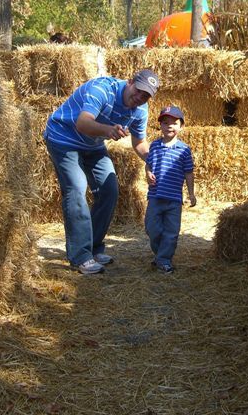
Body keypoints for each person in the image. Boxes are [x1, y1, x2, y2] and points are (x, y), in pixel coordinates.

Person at [44, 69, 160, 274]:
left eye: (146, 95)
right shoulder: (102, 90)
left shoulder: (140, 110)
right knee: (76, 188)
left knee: (109, 190)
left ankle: (94, 247)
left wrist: (158, 161)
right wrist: (108, 131)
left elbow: (140, 143)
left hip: (92, 144)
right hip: (63, 138)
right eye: (139, 91)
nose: (140, 98)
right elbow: (83, 123)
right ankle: (80, 256)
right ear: (130, 81)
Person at [144, 105, 196, 274]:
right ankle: (160, 255)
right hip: (155, 196)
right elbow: (148, 165)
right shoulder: (154, 146)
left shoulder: (184, 150)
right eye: (165, 123)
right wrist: (148, 173)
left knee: (171, 232)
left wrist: (191, 194)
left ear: (181, 126)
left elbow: (188, 173)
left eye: (174, 123)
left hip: (174, 199)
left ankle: (164, 260)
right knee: (152, 228)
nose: (169, 126)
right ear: (160, 125)